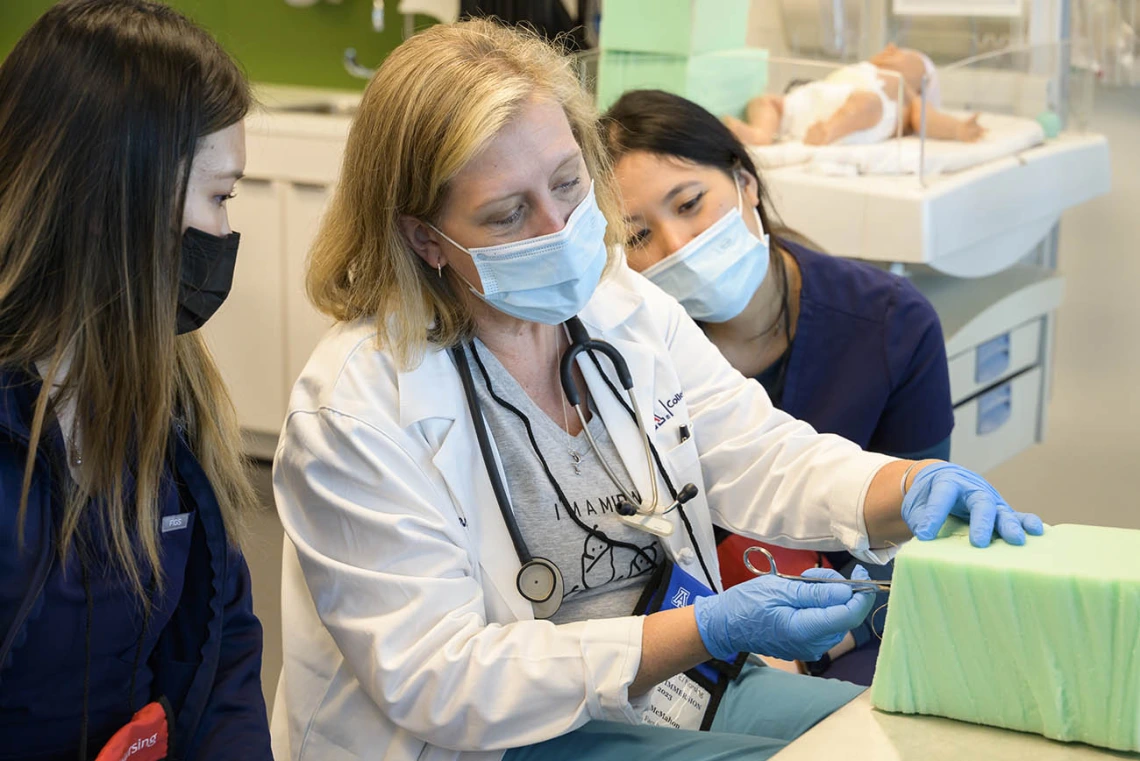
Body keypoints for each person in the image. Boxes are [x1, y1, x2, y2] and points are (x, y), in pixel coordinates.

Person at [271, 18, 1043, 761]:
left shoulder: (619, 306)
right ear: (422, 238)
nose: (558, 227)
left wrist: (906, 485)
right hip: (491, 737)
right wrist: (708, 628)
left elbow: (756, 451)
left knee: (918, 742)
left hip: (672, 689)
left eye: (569, 183)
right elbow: (442, 680)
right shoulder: (357, 407)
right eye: (509, 215)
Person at [603, 89, 956, 683]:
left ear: (746, 183)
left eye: (690, 203)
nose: (678, 246)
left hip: (855, 623)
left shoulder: (889, 326)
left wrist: (814, 646)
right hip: (680, 642)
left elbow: (917, 546)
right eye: (638, 237)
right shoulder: (624, 356)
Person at [0, 2, 272, 759]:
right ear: (118, 198)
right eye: (218, 197)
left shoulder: (174, 400)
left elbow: (221, 652)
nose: (224, 235)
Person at [723, 43, 984, 146]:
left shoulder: (906, 94)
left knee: (866, 102)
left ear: (921, 83)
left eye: (904, 55)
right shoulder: (862, 69)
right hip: (816, 103)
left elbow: (924, 119)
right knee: (765, 101)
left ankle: (830, 131)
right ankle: (761, 134)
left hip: (865, 116)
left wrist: (958, 129)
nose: (892, 48)